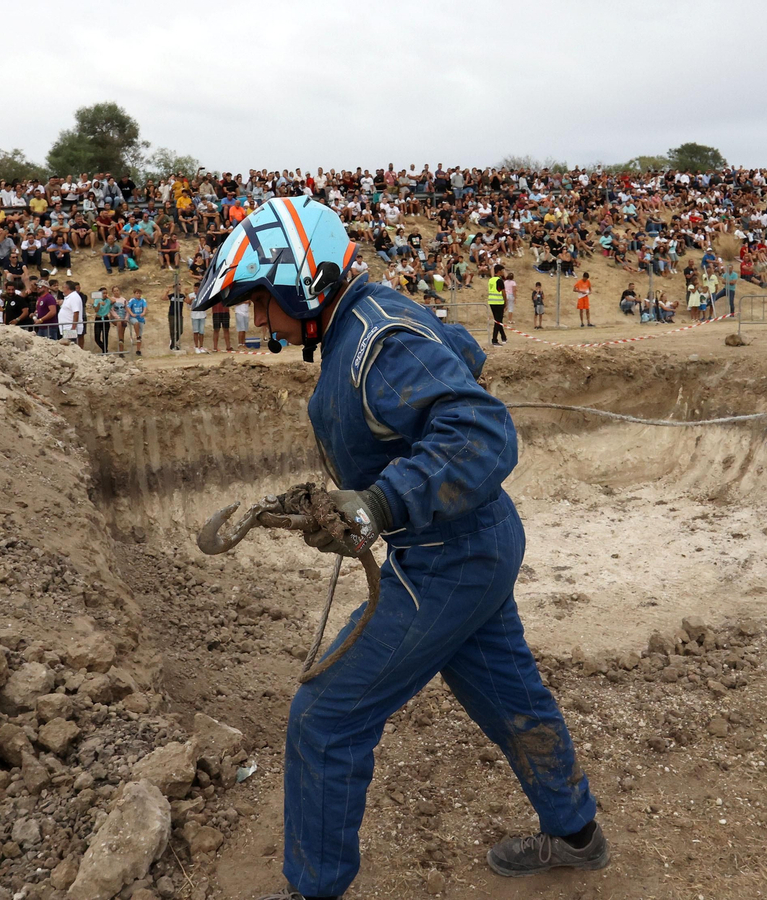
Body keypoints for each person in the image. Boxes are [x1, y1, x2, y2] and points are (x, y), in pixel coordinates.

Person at [189, 197, 603, 900]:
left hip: (449, 555)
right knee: (506, 691)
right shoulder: (367, 320)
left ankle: (313, 890)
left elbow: (482, 433)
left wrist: (382, 502)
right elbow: (463, 355)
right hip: (470, 541)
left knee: (324, 719)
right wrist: (361, 498)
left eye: (262, 299)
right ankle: (576, 834)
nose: (257, 318)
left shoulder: (378, 339)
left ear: (305, 281)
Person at [486, 264, 507, 346]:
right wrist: (505, 303)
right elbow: (503, 293)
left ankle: (503, 337)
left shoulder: (491, 280)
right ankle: (494, 340)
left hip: (492, 302)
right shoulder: (499, 280)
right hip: (499, 303)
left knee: (498, 320)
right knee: (498, 322)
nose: (503, 272)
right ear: (499, 271)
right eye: (502, 271)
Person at [60, 281, 87, 346]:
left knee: (71, 347)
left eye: (63, 287)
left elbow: (76, 313)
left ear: (67, 288)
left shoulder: (74, 297)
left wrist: (73, 328)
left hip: (70, 328)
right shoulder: (69, 297)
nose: (62, 289)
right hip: (67, 328)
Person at [127, 288, 147, 356]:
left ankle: (138, 350)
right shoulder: (132, 300)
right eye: (137, 293)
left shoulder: (143, 300)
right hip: (133, 317)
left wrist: (143, 313)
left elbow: (144, 308)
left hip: (140, 318)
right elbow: (128, 307)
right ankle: (137, 335)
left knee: (140, 336)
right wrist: (132, 313)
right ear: (134, 294)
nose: (138, 295)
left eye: (139, 293)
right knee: (136, 323)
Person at [166, 286, 185, 352]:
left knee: (180, 330)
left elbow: (188, 301)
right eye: (177, 287)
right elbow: (163, 298)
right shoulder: (172, 295)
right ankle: (173, 344)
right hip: (172, 314)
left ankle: (173, 342)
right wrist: (167, 292)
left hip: (179, 315)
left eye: (179, 287)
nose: (178, 288)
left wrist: (187, 294)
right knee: (172, 329)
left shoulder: (182, 296)